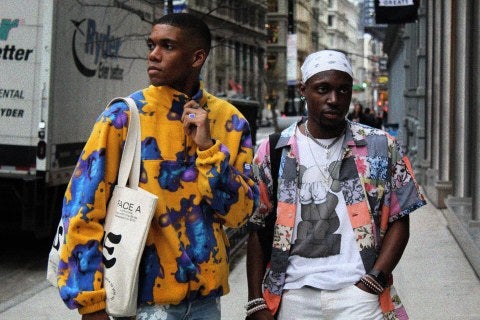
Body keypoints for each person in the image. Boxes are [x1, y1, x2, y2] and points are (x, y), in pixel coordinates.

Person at [57, 13, 258, 320]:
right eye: (152, 44)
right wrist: (91, 304)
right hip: (141, 302)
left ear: (197, 57)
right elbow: (82, 211)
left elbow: (239, 214)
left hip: (206, 303)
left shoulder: (229, 121)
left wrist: (208, 149)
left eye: (167, 46)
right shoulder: (124, 117)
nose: (153, 54)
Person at [246, 50, 426, 320]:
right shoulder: (274, 150)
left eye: (343, 90)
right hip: (293, 296)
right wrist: (255, 301)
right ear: (304, 90)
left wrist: (373, 280)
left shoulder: (380, 146)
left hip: (361, 298)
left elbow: (401, 218)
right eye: (323, 89)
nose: (334, 99)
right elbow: (257, 228)